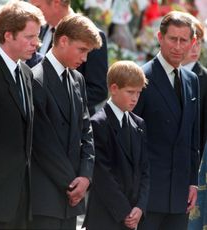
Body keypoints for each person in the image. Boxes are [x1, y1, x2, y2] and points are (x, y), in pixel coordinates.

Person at [29, 14, 101, 230]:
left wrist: (86, 176)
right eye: (82, 50)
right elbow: (42, 144)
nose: (85, 59)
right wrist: (73, 184)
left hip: (72, 198)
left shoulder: (77, 79)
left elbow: (86, 131)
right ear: (63, 41)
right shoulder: (35, 79)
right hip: (45, 197)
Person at [0, 1, 42, 229]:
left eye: (38, 36)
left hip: (20, 200)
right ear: (8, 35)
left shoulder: (25, 72)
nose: (37, 43)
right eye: (29, 36)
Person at [133, 11, 200, 230]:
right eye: (173, 39)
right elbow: (131, 139)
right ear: (160, 38)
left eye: (184, 41)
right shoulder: (142, 77)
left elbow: (193, 137)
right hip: (148, 195)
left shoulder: (192, 81)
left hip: (180, 195)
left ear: (192, 43)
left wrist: (192, 182)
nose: (178, 46)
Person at [83, 60, 150, 230]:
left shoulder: (139, 124)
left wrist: (140, 207)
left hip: (133, 216)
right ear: (113, 89)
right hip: (105, 217)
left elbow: (145, 170)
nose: (135, 98)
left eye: (138, 93)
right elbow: (102, 174)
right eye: (130, 92)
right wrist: (125, 212)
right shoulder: (98, 123)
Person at [29, 0, 108, 116]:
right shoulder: (41, 29)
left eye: (37, 7)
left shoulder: (92, 36)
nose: (33, 13)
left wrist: (58, 105)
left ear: (56, 3)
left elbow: (98, 90)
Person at [182, 16, 207, 158]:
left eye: (199, 43)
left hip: (192, 157)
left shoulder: (204, 78)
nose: (195, 48)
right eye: (191, 43)